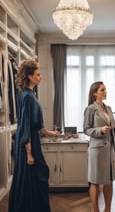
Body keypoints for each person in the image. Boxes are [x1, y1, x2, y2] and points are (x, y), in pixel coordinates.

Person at [8, 60, 60, 212]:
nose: (40, 77)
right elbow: (25, 126)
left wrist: (51, 133)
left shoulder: (30, 94)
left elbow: (36, 125)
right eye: (38, 74)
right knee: (33, 180)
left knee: (36, 180)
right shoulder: (27, 96)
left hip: (31, 140)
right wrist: (29, 153)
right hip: (27, 144)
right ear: (30, 76)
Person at [83, 81, 115, 212]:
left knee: (109, 180)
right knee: (95, 181)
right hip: (97, 150)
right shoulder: (90, 109)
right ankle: (96, 210)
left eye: (105, 89)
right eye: (102, 90)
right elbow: (86, 129)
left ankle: (108, 209)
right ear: (95, 93)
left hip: (109, 150)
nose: (105, 92)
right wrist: (99, 130)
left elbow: (110, 127)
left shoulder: (108, 108)